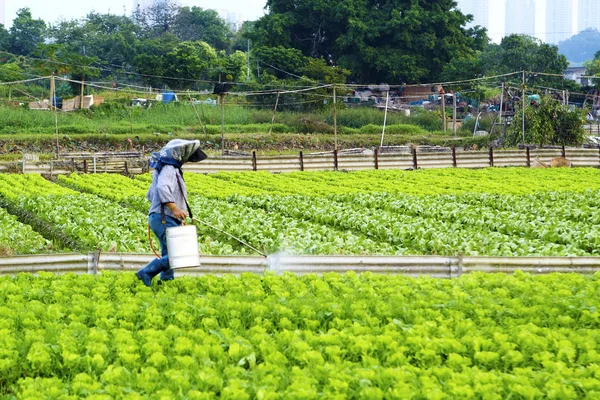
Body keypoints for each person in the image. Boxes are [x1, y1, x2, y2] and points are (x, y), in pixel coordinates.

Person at [136, 139, 207, 286]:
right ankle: (146, 272)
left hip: (160, 217)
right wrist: (174, 208)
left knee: (169, 253)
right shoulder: (169, 167)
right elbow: (162, 188)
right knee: (176, 254)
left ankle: (166, 282)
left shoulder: (167, 168)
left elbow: (151, 194)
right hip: (164, 217)